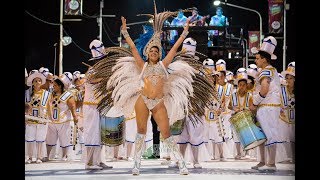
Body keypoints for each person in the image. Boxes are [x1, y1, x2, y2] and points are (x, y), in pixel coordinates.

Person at [89, 4, 216, 175]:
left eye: (156, 51)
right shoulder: (142, 65)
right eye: (151, 51)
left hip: (158, 102)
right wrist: (125, 32)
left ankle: (181, 164)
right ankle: (136, 164)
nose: (154, 52)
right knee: (141, 132)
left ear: (159, 53)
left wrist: (185, 32)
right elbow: (133, 49)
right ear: (147, 53)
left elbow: (174, 49)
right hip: (143, 100)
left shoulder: (164, 65)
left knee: (167, 134)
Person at [249, 36, 285, 171]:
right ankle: (263, 161)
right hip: (267, 107)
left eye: (258, 58)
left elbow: (264, 89)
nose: (256, 60)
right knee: (263, 135)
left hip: (268, 107)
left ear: (264, 59)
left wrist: (255, 103)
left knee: (270, 134)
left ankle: (271, 163)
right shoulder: (270, 70)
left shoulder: (266, 71)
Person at [25, 70, 52, 164]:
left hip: (42, 119)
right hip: (30, 119)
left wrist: (51, 118)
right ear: (32, 83)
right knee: (29, 138)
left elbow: (49, 107)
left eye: (39, 81)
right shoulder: (28, 94)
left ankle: (39, 157)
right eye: (35, 81)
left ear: (42, 82)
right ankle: (29, 157)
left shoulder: (46, 94)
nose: (37, 82)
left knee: (40, 138)